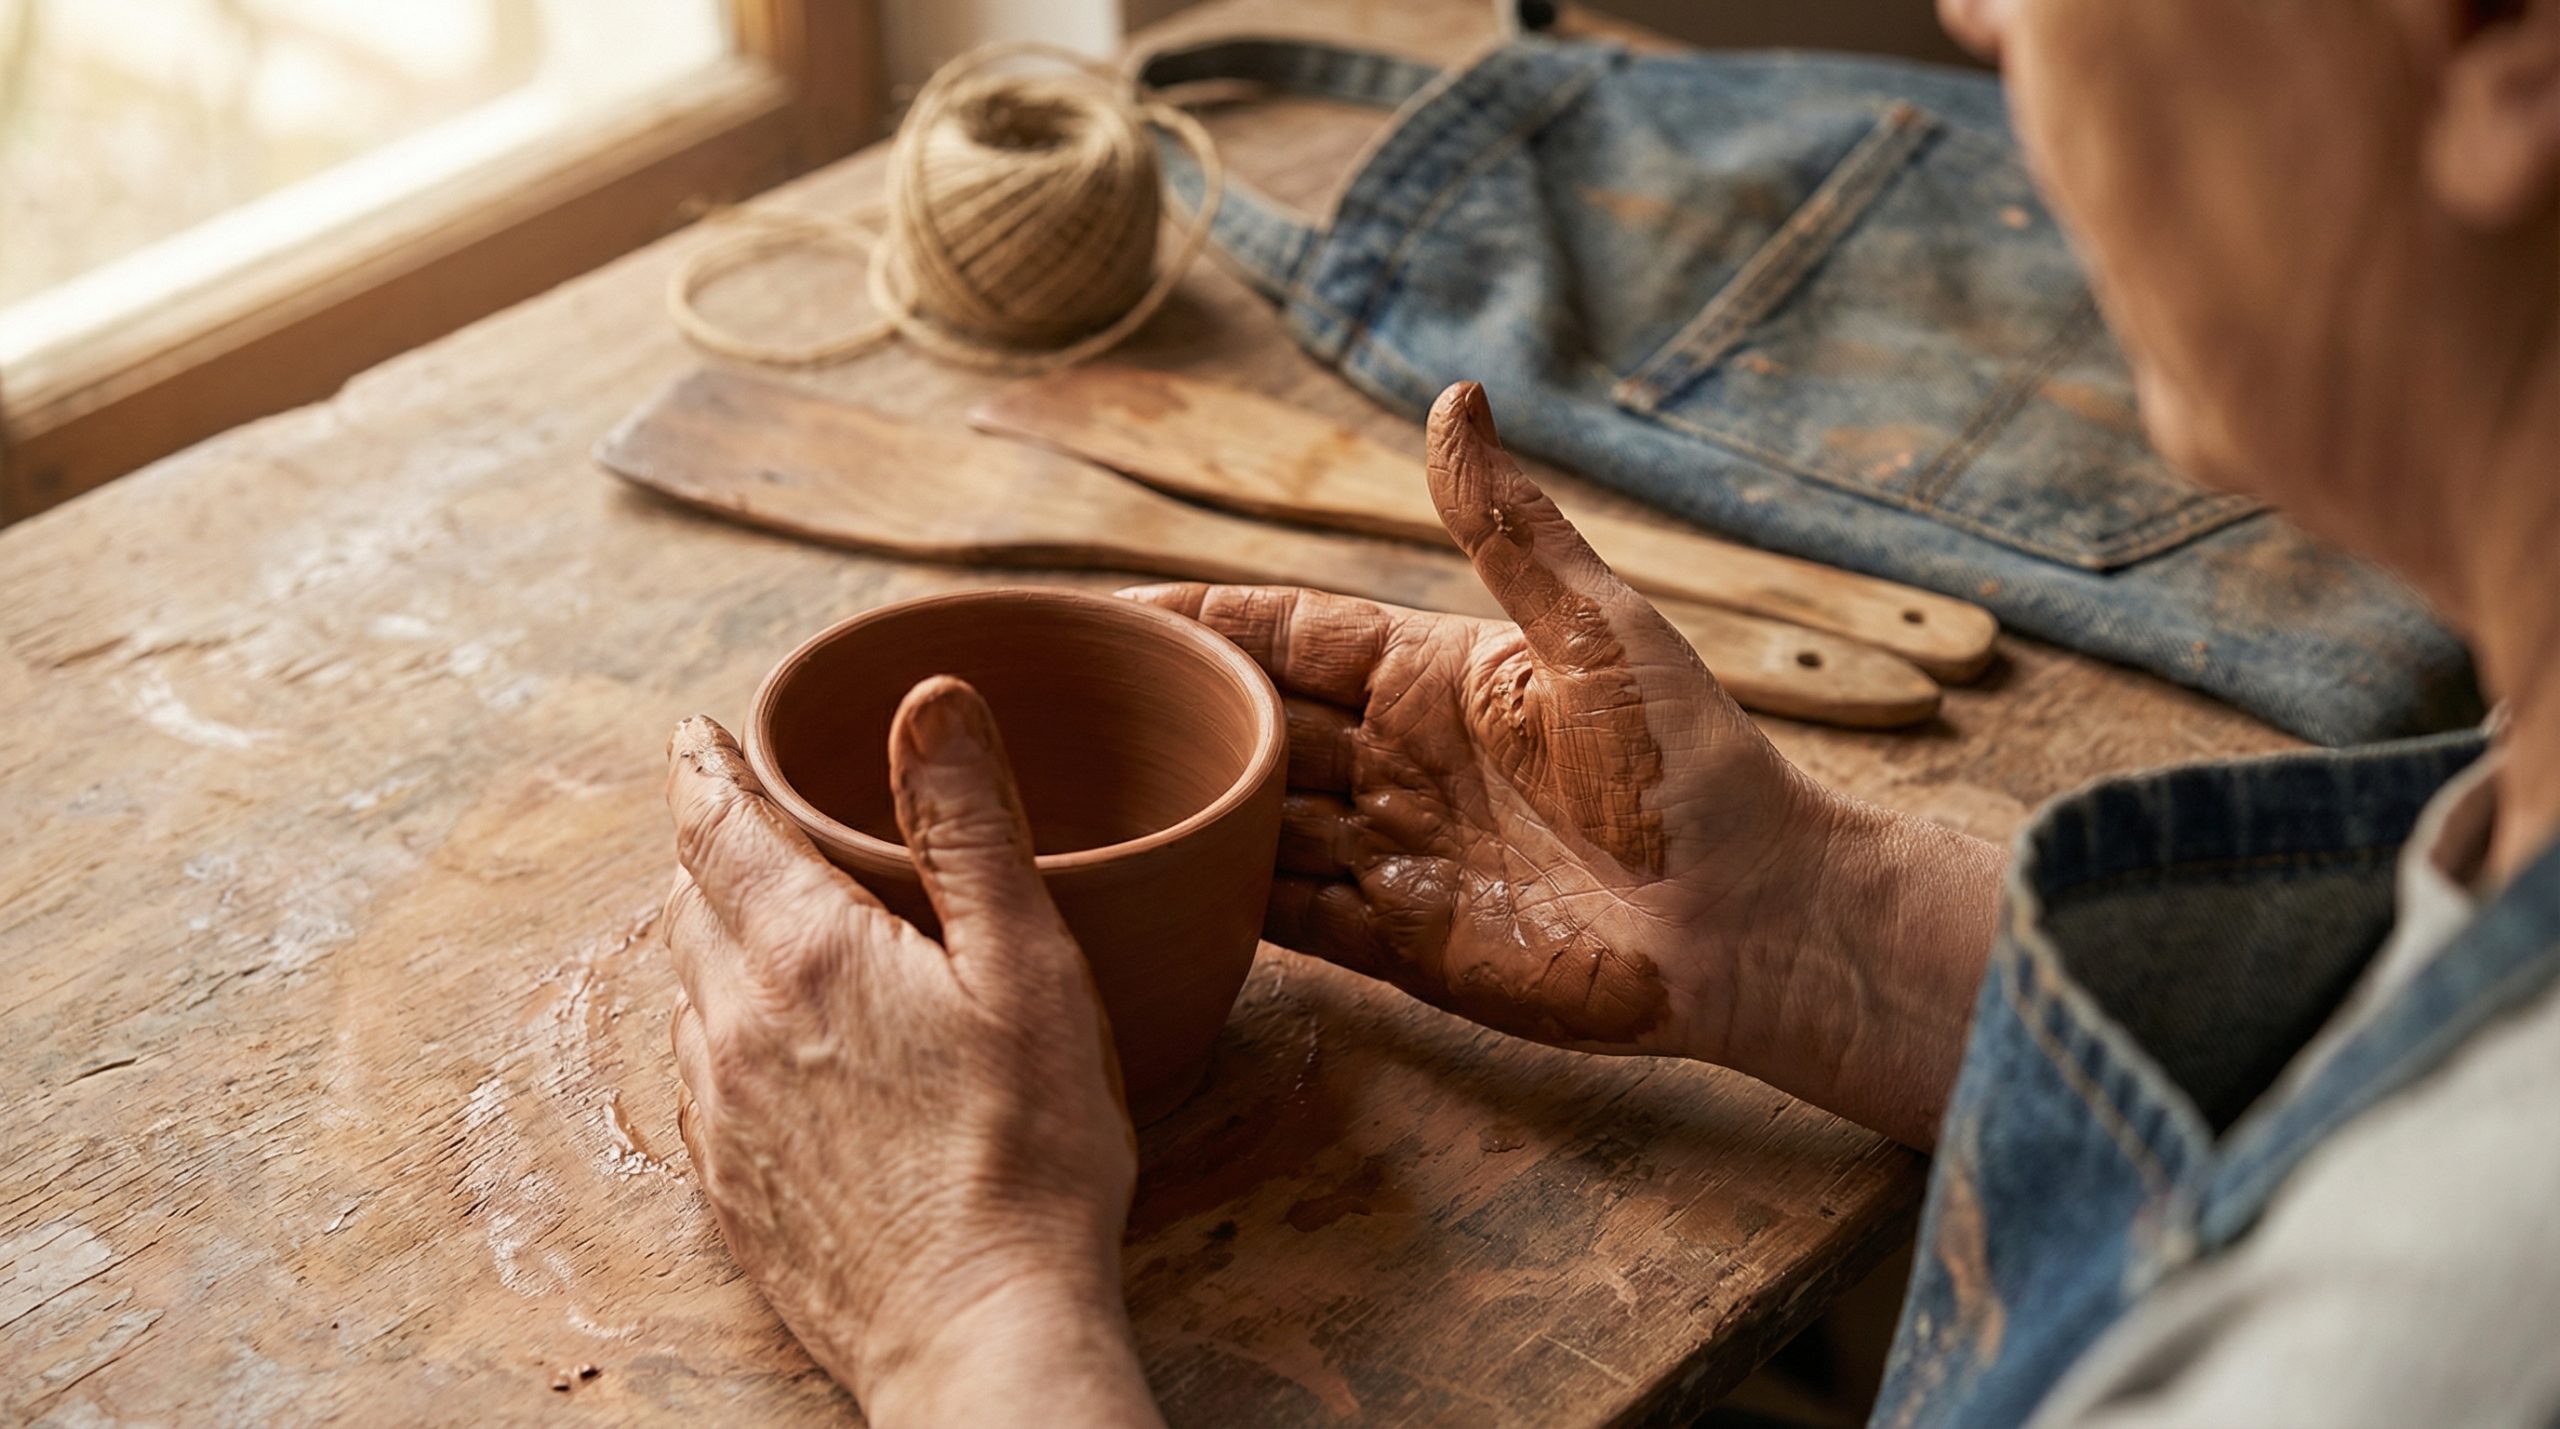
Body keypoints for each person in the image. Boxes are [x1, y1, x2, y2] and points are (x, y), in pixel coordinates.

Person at [655, 0, 2560, 1422]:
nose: (1974, 11)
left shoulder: (2404, 1340)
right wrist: (1822, 937)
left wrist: (974, 1326)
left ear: (2497, 44)